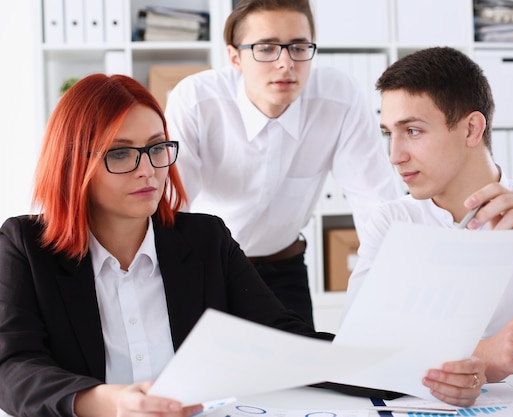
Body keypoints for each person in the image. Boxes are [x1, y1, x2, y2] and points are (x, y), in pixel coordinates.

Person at [0, 74, 485, 417]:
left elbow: (290, 345)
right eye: (121, 153)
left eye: (156, 147)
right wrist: (107, 403)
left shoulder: (204, 240)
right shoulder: (25, 245)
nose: (148, 169)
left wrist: (422, 369)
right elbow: (13, 368)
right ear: (73, 162)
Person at [343, 46, 513, 388]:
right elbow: (352, 354)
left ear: (471, 129)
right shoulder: (391, 223)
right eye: (389, 133)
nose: (394, 156)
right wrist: (481, 356)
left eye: (413, 131)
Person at [164, 0, 401, 327]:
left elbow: (374, 201)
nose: (286, 63)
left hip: (283, 264)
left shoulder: (338, 97)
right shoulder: (196, 100)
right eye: (266, 48)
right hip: (210, 265)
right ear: (235, 57)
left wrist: (394, 294)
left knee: (302, 373)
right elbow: (173, 207)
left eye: (298, 47)